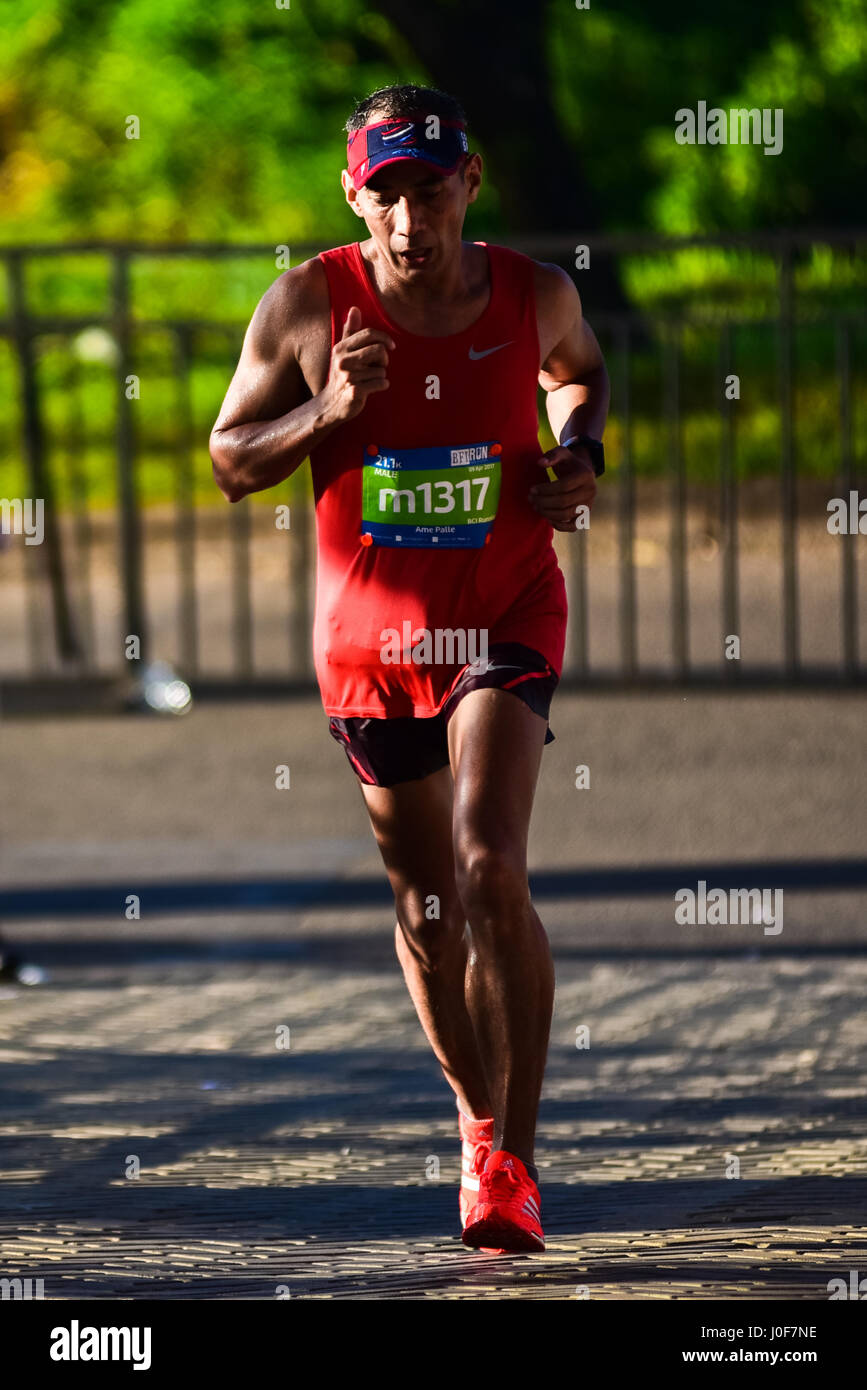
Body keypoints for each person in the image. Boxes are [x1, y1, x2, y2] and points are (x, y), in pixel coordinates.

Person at [210, 83, 609, 1253]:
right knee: (430, 914)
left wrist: (578, 451)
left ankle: (516, 1168)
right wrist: (327, 409)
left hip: (504, 613)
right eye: (384, 193)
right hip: (373, 649)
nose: (406, 217)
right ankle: (478, 1123)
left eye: (427, 191)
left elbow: (576, 373)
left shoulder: (537, 294)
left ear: (467, 186)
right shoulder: (304, 305)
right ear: (354, 196)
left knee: (490, 868)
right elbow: (232, 458)